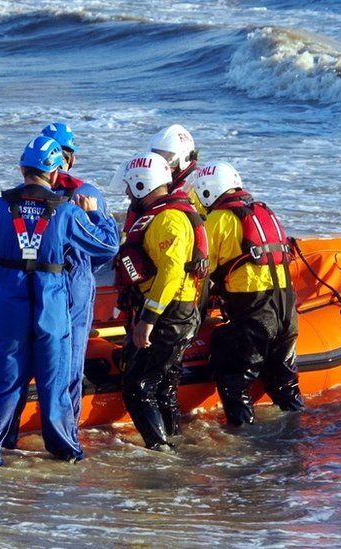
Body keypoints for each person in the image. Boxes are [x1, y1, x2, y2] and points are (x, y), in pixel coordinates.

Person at [0, 136, 118, 466]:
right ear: (54, 171)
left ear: (22, 168)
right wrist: (97, 217)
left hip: (9, 303)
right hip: (52, 303)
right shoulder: (66, 212)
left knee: (4, 380)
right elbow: (106, 247)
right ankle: (64, 453)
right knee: (55, 381)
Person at [1, 122, 115, 449]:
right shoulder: (86, 194)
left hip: (31, 285)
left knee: (18, 364)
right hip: (73, 286)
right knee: (67, 368)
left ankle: (7, 436)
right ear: (69, 157)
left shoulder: (24, 194)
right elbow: (102, 249)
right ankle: (65, 439)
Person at [193, 161, 304, 426]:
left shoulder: (217, 220)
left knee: (234, 384)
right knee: (286, 384)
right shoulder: (264, 212)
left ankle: (245, 447)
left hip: (255, 318)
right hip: (287, 312)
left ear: (207, 191)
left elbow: (202, 272)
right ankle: (298, 433)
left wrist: (196, 317)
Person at [113, 152, 206, 451]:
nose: (127, 193)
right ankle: (173, 439)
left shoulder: (168, 220)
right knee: (164, 385)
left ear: (142, 185)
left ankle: (161, 450)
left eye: (130, 186)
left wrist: (147, 320)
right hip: (173, 310)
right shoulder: (163, 215)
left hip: (169, 314)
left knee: (137, 387)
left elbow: (171, 272)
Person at [149, 124, 205, 217]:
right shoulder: (169, 182)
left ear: (184, 159)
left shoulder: (196, 190)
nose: (159, 164)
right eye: (156, 156)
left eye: (167, 158)